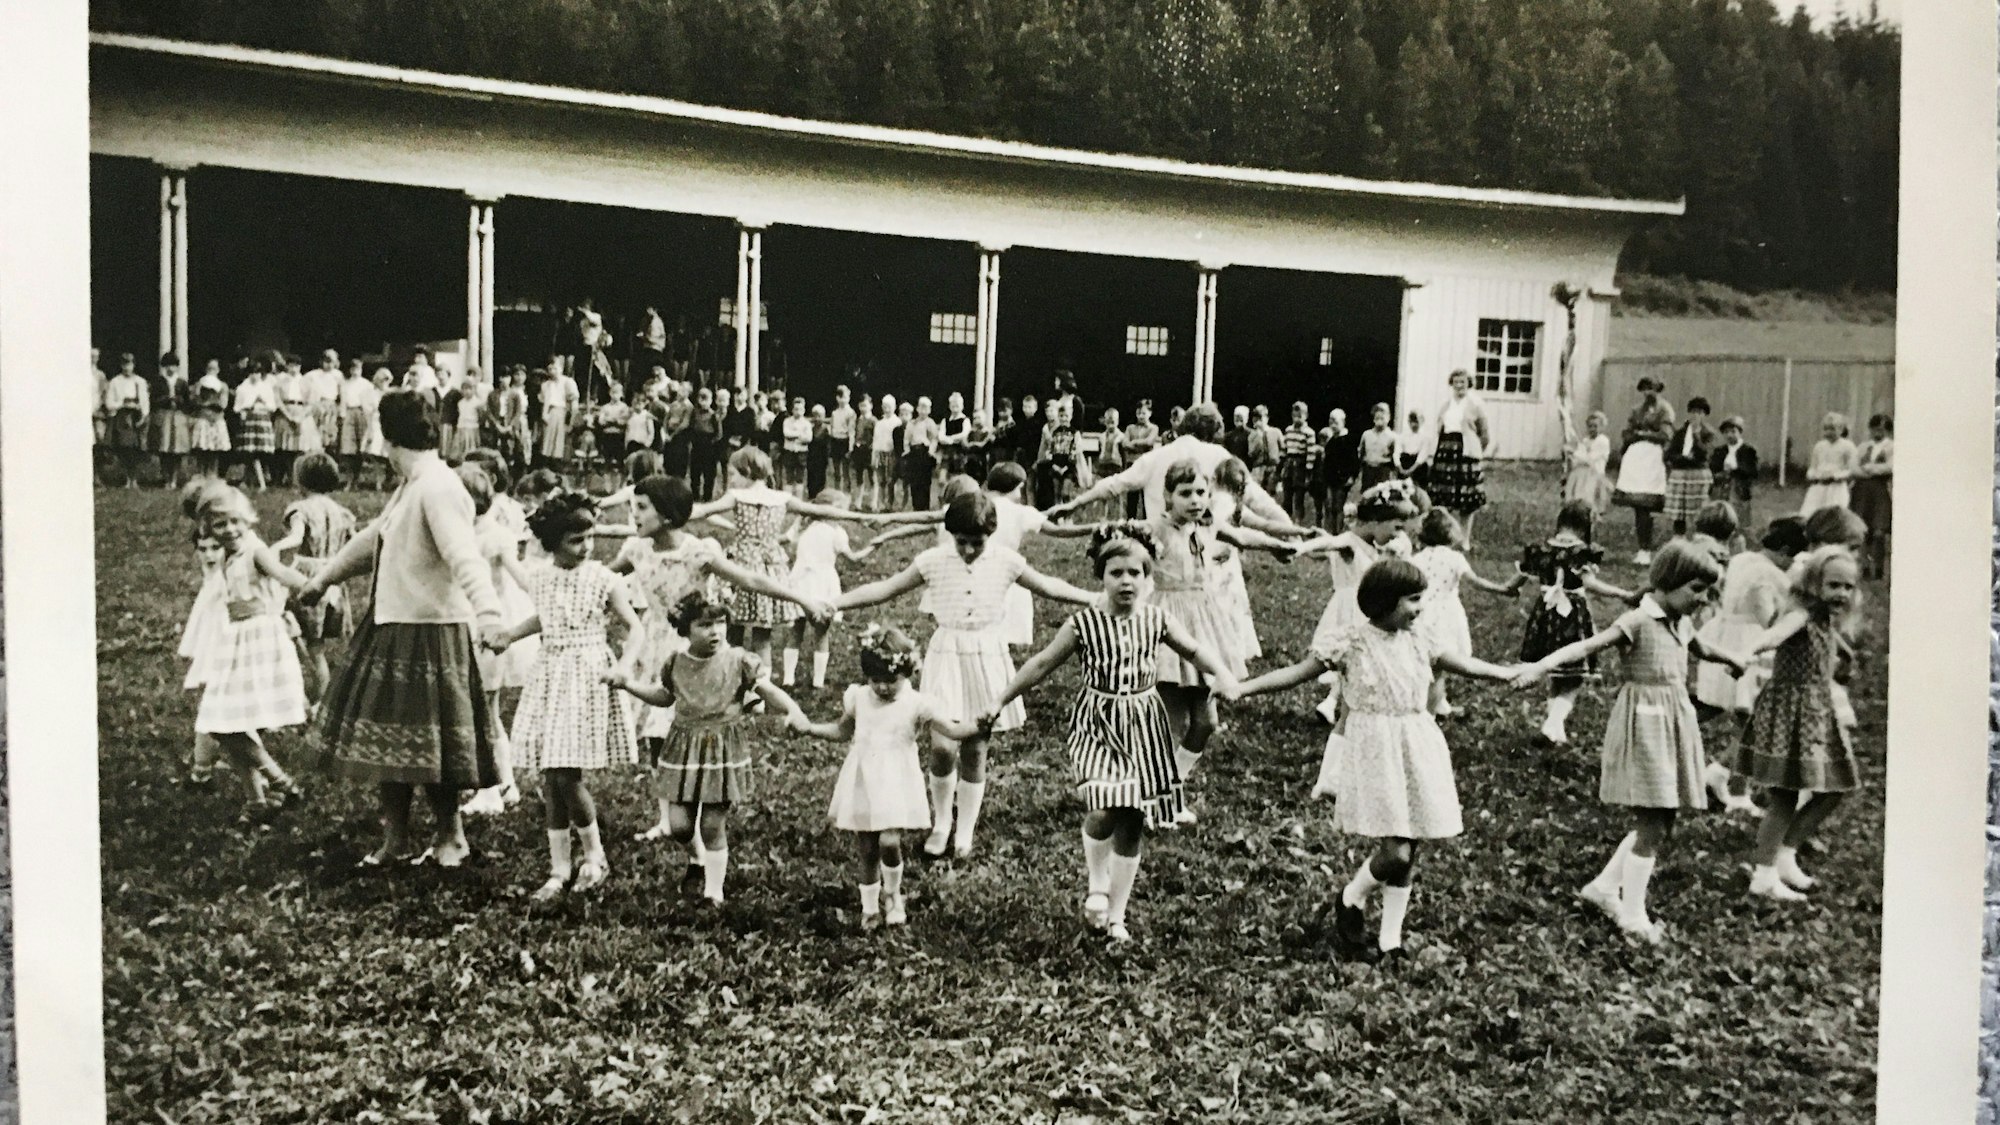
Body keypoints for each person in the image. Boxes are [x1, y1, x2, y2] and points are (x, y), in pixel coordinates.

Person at [1227, 559, 1519, 960]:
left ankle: (1390, 939)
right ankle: (1351, 897)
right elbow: (1297, 673)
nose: (1420, 609)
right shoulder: (1350, 642)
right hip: (1375, 748)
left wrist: (1509, 675)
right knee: (1395, 850)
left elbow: (1467, 666)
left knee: (1410, 845)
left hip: (1416, 741)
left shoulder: (1422, 639)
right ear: (1384, 600)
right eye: (1413, 600)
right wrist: (1244, 690)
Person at [986, 526, 1237, 942]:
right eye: (1115, 572)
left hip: (1143, 721)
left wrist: (1223, 674)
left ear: (1147, 577)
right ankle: (1096, 882)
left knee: (1134, 816)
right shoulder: (1084, 623)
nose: (1126, 581)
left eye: (1135, 573)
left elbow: (1192, 649)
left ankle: (1117, 915)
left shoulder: (1156, 618)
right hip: (1099, 722)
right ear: (1100, 576)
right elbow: (1043, 663)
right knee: (1104, 806)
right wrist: (1001, 698)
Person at [299, 390, 509, 869]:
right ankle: (394, 842)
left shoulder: (437, 487)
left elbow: (463, 555)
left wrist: (491, 614)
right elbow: (374, 537)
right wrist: (323, 580)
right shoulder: (413, 485)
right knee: (388, 744)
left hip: (431, 629)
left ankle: (450, 838)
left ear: (388, 438)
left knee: (433, 749)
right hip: (394, 622)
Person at [832, 492, 1098, 859]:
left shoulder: (1006, 561)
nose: (969, 550)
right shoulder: (933, 561)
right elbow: (884, 589)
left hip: (986, 656)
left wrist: (1094, 598)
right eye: (962, 542)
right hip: (947, 655)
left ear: (991, 535)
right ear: (949, 535)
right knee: (942, 747)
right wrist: (836, 601)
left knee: (975, 746)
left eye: (977, 543)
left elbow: (1051, 586)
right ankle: (942, 822)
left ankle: (965, 830)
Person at [1515, 541, 1747, 944]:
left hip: (1673, 719)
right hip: (1645, 723)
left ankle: (1604, 888)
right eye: (1696, 589)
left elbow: (1701, 648)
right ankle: (1633, 913)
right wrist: (1541, 666)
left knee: (1663, 818)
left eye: (1708, 591)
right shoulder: (1639, 621)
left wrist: (1731, 659)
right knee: (1652, 820)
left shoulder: (1681, 621)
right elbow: (1588, 646)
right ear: (1668, 582)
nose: (1703, 599)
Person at [610, 474, 826, 838]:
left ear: (666, 515)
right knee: (655, 733)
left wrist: (802, 599)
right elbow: (602, 579)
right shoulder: (635, 550)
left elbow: (752, 581)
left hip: (694, 646)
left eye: (641, 508)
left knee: (691, 728)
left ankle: (703, 804)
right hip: (653, 644)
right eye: (633, 507)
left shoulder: (697, 551)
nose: (633, 515)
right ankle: (668, 816)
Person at [605, 589, 807, 905]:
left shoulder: (739, 660)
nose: (715, 632)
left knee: (712, 824)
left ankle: (714, 892)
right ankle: (697, 859)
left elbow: (767, 690)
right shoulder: (676, 663)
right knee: (680, 827)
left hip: (721, 749)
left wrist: (793, 710)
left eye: (721, 623)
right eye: (704, 625)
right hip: (683, 748)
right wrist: (629, 685)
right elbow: (664, 697)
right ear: (685, 629)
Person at [487, 492, 643, 900]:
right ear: (552, 542)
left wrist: (624, 665)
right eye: (576, 540)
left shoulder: (604, 578)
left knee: (565, 774)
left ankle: (595, 856)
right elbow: (548, 615)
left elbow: (633, 627)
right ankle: (559, 868)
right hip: (551, 674)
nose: (587, 547)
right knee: (550, 777)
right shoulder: (539, 576)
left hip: (588, 674)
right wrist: (508, 635)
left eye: (590, 537)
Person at [790, 625, 983, 930]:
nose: (881, 688)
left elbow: (953, 730)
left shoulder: (916, 703)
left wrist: (978, 724)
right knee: (866, 847)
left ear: (907, 674)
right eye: (875, 681)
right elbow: (842, 731)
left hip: (895, 781)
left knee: (889, 842)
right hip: (863, 779)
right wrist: (810, 728)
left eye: (890, 681)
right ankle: (869, 907)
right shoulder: (859, 698)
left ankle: (893, 895)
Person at [1732, 546, 1866, 902]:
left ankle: (1786, 855)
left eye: (1848, 587)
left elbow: (1830, 646)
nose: (1841, 593)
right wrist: (1754, 649)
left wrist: (1845, 655)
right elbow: (1777, 634)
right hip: (1791, 713)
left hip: (1816, 711)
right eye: (1833, 585)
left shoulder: (1823, 619)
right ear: (1813, 584)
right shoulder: (1802, 614)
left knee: (1834, 788)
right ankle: (1763, 875)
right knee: (1785, 796)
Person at [687, 447, 896, 671]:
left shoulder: (737, 496)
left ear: (747, 471)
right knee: (762, 637)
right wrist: (861, 517)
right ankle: (758, 693)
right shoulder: (782, 498)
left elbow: (703, 511)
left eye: (733, 474)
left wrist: (670, 510)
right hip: (770, 567)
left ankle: (732, 683)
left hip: (741, 563)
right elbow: (823, 511)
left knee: (733, 632)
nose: (731, 480)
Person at [187, 483, 312, 821]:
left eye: (233, 522)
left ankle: (277, 782)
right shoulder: (224, 554)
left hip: (258, 641)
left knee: (225, 721)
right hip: (235, 642)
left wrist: (317, 585)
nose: (228, 530)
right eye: (219, 525)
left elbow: (283, 574)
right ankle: (257, 799)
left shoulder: (255, 550)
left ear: (247, 520)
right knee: (225, 722)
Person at [1694, 515, 1808, 814]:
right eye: (1791, 557)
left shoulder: (1744, 558)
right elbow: (1767, 618)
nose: (1792, 563)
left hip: (1726, 634)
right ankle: (1729, 783)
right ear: (1783, 550)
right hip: (1748, 643)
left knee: (1745, 719)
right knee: (1756, 723)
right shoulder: (1767, 574)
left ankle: (1726, 781)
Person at [1050, 404, 1298, 533]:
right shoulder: (1219, 456)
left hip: (1160, 548)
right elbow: (1258, 499)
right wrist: (1290, 530)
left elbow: (1114, 484)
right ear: (1213, 432)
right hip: (1210, 552)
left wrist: (1074, 504)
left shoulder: (1156, 457)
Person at [1515, 501, 1635, 748]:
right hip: (1571, 616)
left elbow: (1518, 579)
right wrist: (1623, 594)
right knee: (1574, 677)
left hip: (1544, 614)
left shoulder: (1541, 549)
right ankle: (1553, 723)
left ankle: (1554, 729)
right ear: (1586, 525)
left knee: (1557, 673)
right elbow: (1590, 584)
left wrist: (1504, 589)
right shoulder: (1581, 552)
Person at [459, 461, 534, 818]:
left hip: (483, 628)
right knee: (487, 709)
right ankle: (505, 783)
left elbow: (520, 576)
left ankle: (490, 789)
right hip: (490, 623)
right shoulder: (496, 533)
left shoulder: (472, 537)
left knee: (482, 711)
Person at [1409, 509, 1526, 717]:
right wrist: (1503, 589)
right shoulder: (1455, 558)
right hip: (1446, 615)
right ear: (1450, 533)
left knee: (1429, 661)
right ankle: (1430, 709)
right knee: (1440, 664)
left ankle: (1437, 703)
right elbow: (1476, 582)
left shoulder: (1416, 558)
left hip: (1422, 613)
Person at [267, 452, 357, 712]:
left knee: (298, 639)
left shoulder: (300, 510)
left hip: (306, 578)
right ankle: (312, 699)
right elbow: (354, 543)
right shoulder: (343, 513)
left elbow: (296, 538)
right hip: (332, 578)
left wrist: (275, 547)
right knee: (313, 644)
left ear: (301, 482)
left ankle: (317, 701)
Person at [782, 490, 878, 690]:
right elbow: (853, 560)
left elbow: (790, 542)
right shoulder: (836, 534)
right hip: (822, 583)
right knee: (821, 633)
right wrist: (873, 547)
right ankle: (818, 681)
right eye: (841, 510)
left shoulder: (805, 527)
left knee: (796, 629)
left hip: (800, 582)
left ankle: (788, 678)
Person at [176, 520, 228, 787]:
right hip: (213, 649)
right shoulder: (212, 580)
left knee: (217, 708)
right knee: (212, 707)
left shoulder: (226, 580)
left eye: (215, 548)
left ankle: (203, 768)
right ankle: (202, 768)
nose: (209, 555)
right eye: (202, 548)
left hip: (225, 650)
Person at [1612, 378, 1675, 564]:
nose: (1648, 393)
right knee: (1639, 506)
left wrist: (1644, 434)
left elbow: (1666, 435)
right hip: (1636, 458)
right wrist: (1630, 439)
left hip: (1654, 457)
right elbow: (1628, 432)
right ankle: (1643, 549)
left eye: (1652, 389)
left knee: (1653, 502)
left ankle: (1668, 547)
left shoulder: (1664, 409)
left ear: (1658, 390)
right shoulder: (1636, 410)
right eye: (1645, 389)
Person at [1427, 370, 1491, 547]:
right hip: (1446, 452)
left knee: (1466, 500)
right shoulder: (1446, 405)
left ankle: (1465, 539)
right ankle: (1445, 537)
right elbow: (1438, 430)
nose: (1459, 385)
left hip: (1465, 454)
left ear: (1469, 383)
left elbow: (1484, 434)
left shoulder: (1476, 405)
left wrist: (1475, 453)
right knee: (1444, 498)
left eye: (1462, 382)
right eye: (1455, 382)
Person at [1662, 397, 1717, 539]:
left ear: (1704, 415)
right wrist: (1682, 459)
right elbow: (1669, 454)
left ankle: (1699, 537)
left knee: (1699, 509)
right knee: (1679, 510)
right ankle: (1678, 537)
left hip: (1698, 474)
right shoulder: (1680, 433)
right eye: (1692, 412)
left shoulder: (1708, 433)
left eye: (1699, 412)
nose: (1695, 415)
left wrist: (1696, 435)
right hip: (1680, 473)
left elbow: (1705, 454)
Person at [1850, 414, 1893, 578]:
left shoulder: (1891, 447)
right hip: (1862, 491)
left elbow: (1890, 467)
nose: (1877, 433)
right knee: (1863, 530)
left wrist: (1872, 468)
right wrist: (1865, 471)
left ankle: (1879, 568)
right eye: (1875, 429)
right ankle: (1866, 567)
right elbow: (1853, 467)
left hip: (1879, 491)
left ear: (1888, 431)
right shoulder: (1863, 447)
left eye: (1881, 430)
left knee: (1878, 531)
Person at [1708, 416, 1760, 543]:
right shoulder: (1720, 451)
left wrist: (1736, 469)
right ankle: (1719, 537)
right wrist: (1720, 474)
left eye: (1733, 432)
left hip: (1739, 487)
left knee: (1738, 517)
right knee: (1719, 513)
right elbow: (1712, 469)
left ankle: (1738, 540)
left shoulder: (1748, 451)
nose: (1729, 435)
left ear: (1739, 432)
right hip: (1721, 487)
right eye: (1726, 432)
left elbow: (1752, 472)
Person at [103, 352, 150, 487]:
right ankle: (126, 479)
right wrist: (121, 404)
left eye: (129, 364)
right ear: (121, 365)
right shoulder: (115, 382)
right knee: (124, 448)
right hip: (122, 418)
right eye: (124, 364)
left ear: (133, 365)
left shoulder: (140, 382)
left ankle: (134, 478)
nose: (127, 368)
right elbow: (109, 402)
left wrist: (142, 416)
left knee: (136, 449)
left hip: (136, 417)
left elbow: (145, 402)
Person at [147, 351, 192, 488]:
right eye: (167, 366)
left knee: (177, 449)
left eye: (173, 366)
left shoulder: (182, 383)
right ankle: (166, 477)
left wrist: (179, 401)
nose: (170, 369)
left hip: (178, 417)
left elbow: (188, 402)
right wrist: (165, 400)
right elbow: (152, 400)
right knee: (164, 448)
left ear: (177, 367)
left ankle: (175, 478)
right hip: (164, 416)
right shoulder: (158, 381)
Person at [1800, 413, 1859, 516]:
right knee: (1811, 513)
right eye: (1826, 429)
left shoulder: (1848, 446)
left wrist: (1835, 476)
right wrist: (1813, 475)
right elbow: (1813, 467)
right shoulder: (1819, 446)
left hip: (1836, 487)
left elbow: (1851, 470)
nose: (1828, 432)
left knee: (1834, 514)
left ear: (1841, 429)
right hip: (1818, 486)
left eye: (1832, 429)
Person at [1316, 408, 1358, 532]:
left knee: (1339, 507)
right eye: (1331, 422)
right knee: (1329, 506)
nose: (1333, 425)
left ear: (1343, 422)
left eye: (1336, 422)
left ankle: (1338, 532)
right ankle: (1330, 531)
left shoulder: (1348, 440)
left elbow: (1354, 462)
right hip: (1330, 480)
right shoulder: (1331, 441)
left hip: (1342, 480)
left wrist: (1352, 477)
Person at [1564, 410, 1613, 516]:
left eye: (1595, 426)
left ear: (1602, 427)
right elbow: (1578, 460)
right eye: (1590, 426)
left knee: (1589, 501)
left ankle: (1590, 514)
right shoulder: (1586, 441)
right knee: (1577, 496)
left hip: (1595, 474)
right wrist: (1571, 457)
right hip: (1582, 474)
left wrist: (1575, 452)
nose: (1592, 429)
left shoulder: (1602, 441)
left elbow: (1590, 459)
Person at [1120, 401, 1162, 519]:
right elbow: (1124, 443)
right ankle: (1130, 523)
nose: (1141, 416)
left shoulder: (1154, 428)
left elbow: (1149, 442)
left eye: (1144, 413)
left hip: (1147, 464)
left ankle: (1146, 523)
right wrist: (1138, 445)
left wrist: (1133, 443)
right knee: (1132, 496)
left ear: (1150, 413)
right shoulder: (1130, 428)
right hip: (1132, 464)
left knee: (1146, 496)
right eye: (1138, 413)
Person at [536, 366, 578, 471]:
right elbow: (543, 401)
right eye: (550, 369)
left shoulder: (567, 382)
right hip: (549, 412)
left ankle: (558, 463)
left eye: (555, 368)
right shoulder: (546, 385)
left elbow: (574, 402)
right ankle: (546, 463)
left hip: (562, 411)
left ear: (561, 368)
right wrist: (544, 413)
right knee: (546, 440)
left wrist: (571, 420)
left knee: (559, 439)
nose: (552, 371)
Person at [869, 393, 902, 512]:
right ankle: (882, 502)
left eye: (889, 406)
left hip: (891, 454)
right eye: (885, 406)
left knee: (891, 480)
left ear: (894, 407)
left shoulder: (897, 422)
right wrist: (874, 455)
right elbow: (876, 440)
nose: (887, 409)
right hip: (880, 453)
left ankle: (890, 503)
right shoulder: (879, 423)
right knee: (881, 480)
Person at [1357, 403, 1397, 491]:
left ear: (1389, 417)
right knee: (1366, 496)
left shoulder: (1392, 436)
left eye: (1383, 416)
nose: (1379, 419)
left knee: (1381, 497)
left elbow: (1395, 457)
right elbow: (1361, 453)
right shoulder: (1366, 434)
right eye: (1377, 416)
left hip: (1383, 471)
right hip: (1368, 471)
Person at [827, 384, 857, 493]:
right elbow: (832, 428)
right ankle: (837, 493)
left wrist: (850, 447)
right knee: (836, 471)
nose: (844, 400)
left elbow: (851, 431)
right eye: (841, 397)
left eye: (846, 397)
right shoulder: (834, 413)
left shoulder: (850, 413)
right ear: (837, 398)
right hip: (836, 441)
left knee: (846, 471)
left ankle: (846, 495)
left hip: (845, 441)